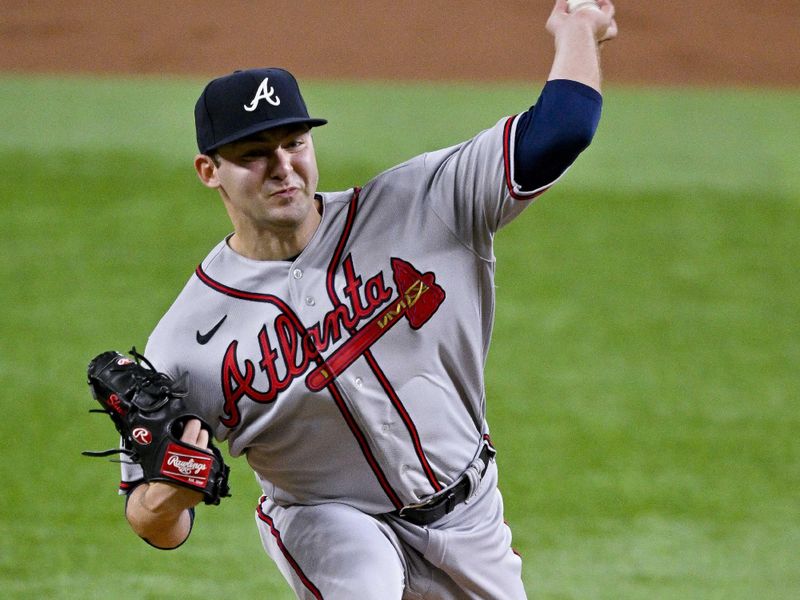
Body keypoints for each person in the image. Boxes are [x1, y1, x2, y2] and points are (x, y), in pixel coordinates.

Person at [121, 1, 617, 597]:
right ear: (209, 170)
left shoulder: (424, 203)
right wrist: (170, 494)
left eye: (294, 143)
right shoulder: (185, 337)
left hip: (469, 512)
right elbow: (155, 525)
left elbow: (562, 129)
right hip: (326, 520)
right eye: (254, 154)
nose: (283, 167)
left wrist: (578, 29)